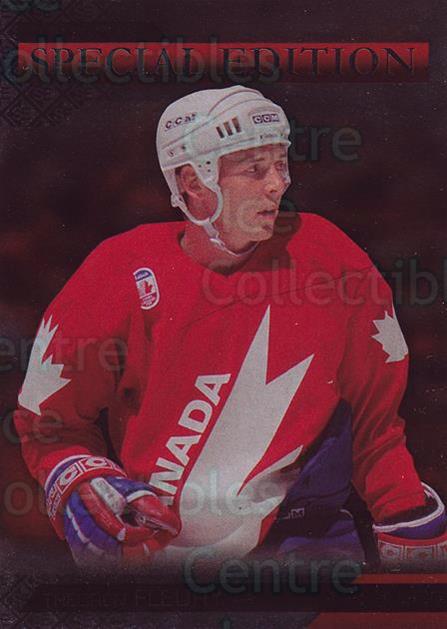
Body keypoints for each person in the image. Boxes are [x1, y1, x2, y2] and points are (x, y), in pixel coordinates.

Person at [14, 86, 447, 571]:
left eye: (280, 164)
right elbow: (50, 426)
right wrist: (79, 481)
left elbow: (376, 426)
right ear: (193, 182)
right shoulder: (118, 272)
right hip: (157, 552)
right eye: (255, 169)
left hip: (306, 544)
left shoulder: (331, 260)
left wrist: (404, 511)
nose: (277, 184)